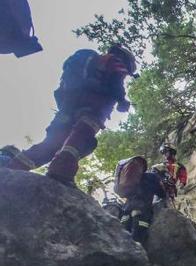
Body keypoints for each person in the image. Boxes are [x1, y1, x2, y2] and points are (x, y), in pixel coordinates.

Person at [0, 44, 137, 184]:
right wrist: (122, 101)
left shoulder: (90, 60)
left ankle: (15, 166)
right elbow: (116, 85)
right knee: (81, 139)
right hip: (91, 108)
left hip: (67, 108)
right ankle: (61, 170)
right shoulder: (116, 63)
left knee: (52, 144)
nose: (125, 74)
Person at [118, 158, 167, 244]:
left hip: (126, 210)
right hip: (142, 210)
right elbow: (162, 193)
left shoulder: (133, 179)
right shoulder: (153, 177)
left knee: (123, 240)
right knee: (137, 241)